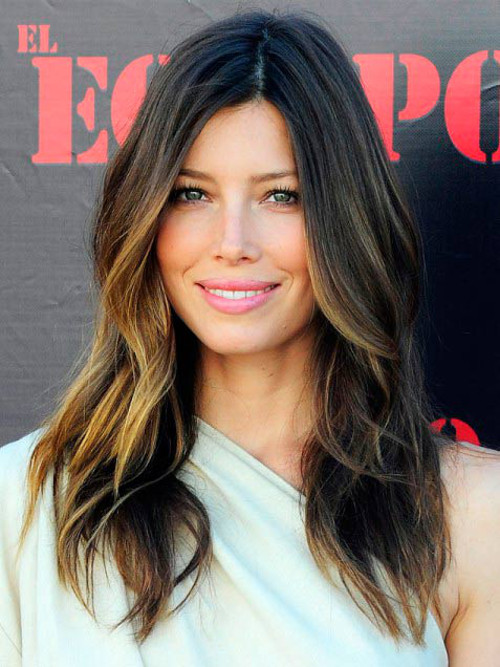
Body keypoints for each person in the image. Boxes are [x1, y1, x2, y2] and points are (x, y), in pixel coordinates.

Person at [1, 7, 499, 666]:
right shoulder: (24, 505)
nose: (232, 242)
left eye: (281, 196)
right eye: (192, 194)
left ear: (344, 219)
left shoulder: (470, 515)